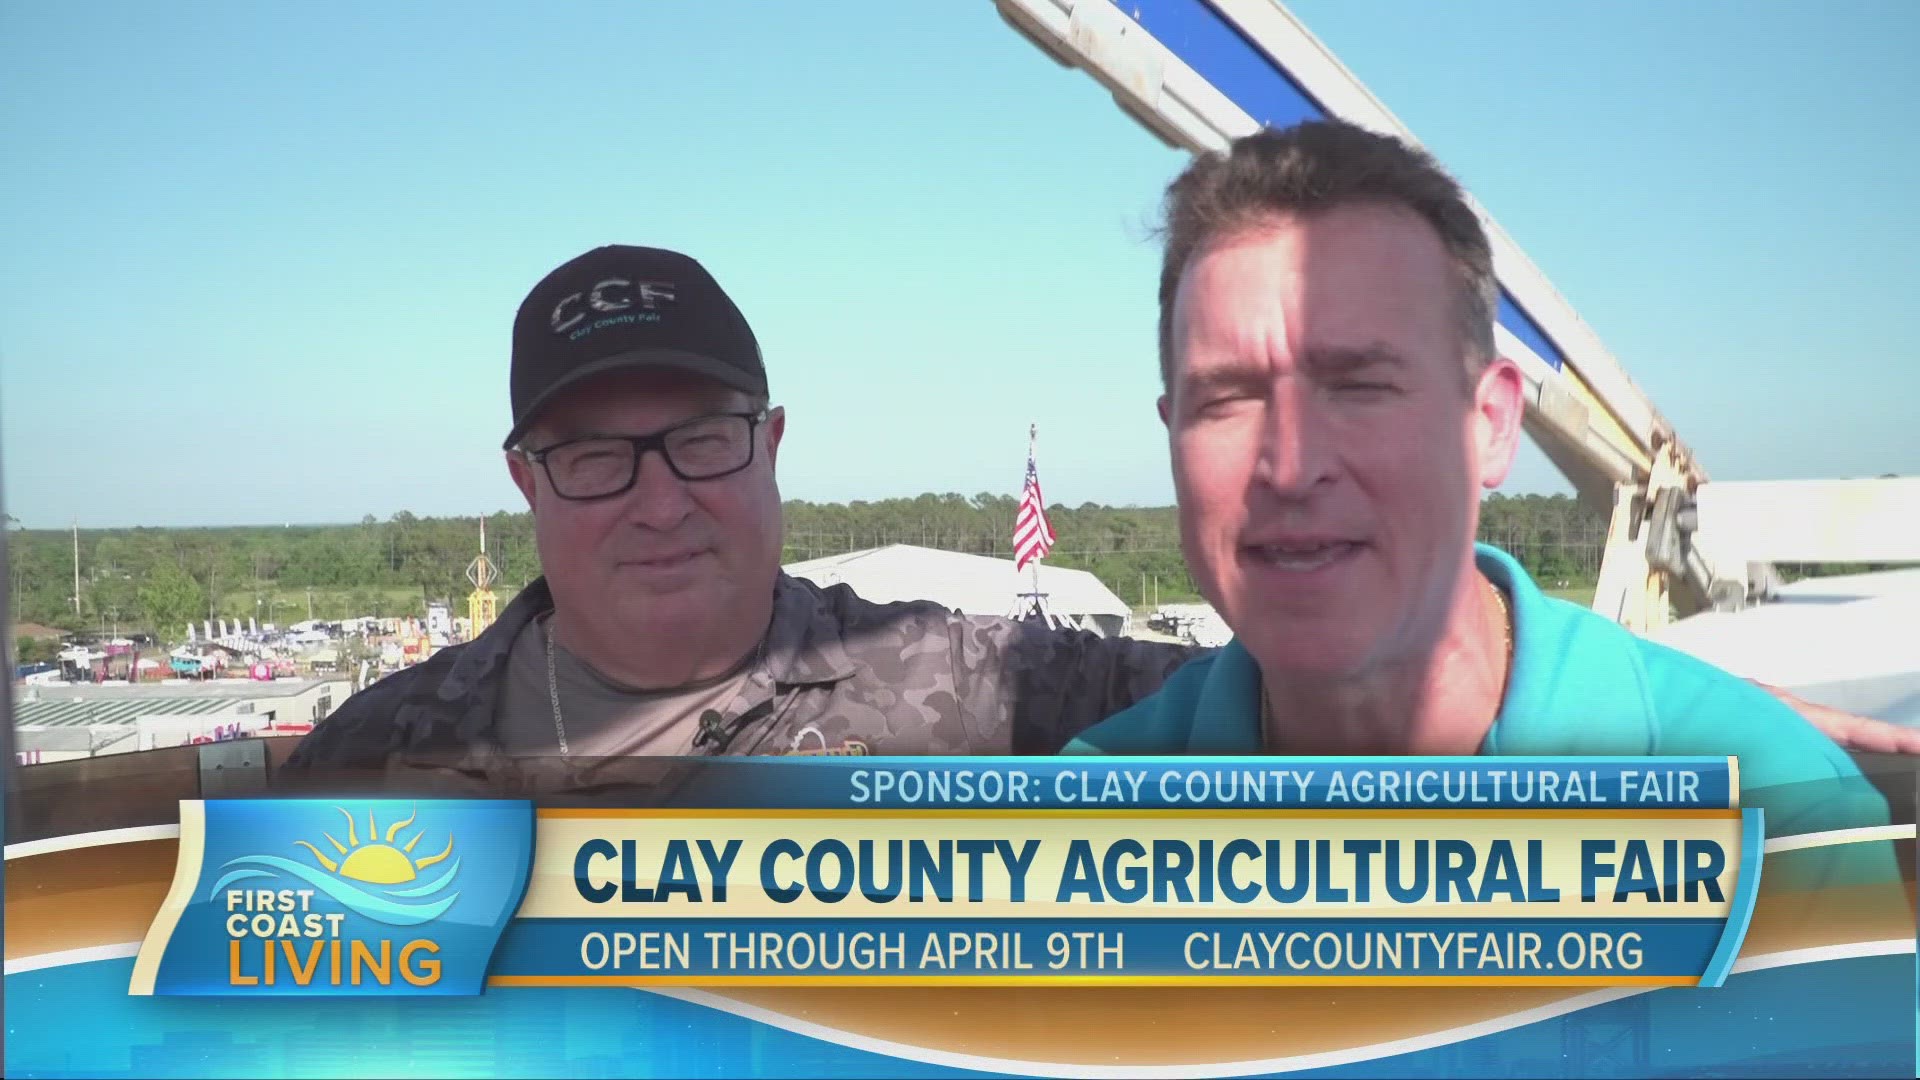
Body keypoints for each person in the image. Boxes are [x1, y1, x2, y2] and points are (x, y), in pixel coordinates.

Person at [282, 241, 1913, 793]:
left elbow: (1356, 678)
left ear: (773, 442)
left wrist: (1773, 727)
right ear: (523, 482)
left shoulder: (967, 690)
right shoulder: (382, 755)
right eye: (594, 455)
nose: (657, 498)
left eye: (699, 439)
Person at [1063, 121, 1894, 854]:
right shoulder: (1073, 832)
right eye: (1229, 399)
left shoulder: (1775, 824)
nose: (1289, 464)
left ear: (1491, 424)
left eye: (1359, 385)